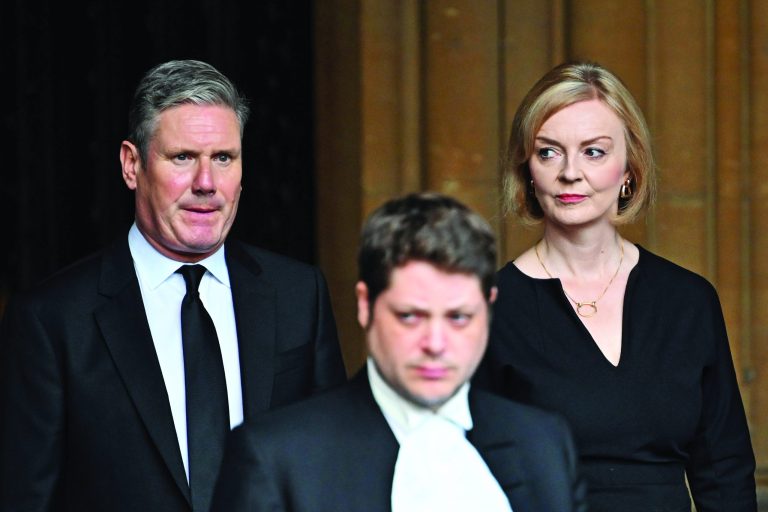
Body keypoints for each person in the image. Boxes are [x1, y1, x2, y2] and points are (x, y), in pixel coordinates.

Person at [0, 59, 346, 512]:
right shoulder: (51, 320)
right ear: (131, 165)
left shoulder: (301, 295)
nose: (206, 183)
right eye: (182, 157)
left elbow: (334, 473)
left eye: (223, 158)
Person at [475, 61, 757, 511]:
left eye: (594, 152)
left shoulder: (688, 301)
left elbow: (724, 474)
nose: (570, 172)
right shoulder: (486, 309)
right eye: (549, 152)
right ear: (527, 169)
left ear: (629, 168)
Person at [211, 192, 588, 512]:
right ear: (365, 306)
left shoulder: (544, 443)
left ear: (488, 309)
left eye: (458, 317)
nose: (436, 344)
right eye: (410, 316)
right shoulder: (274, 457)